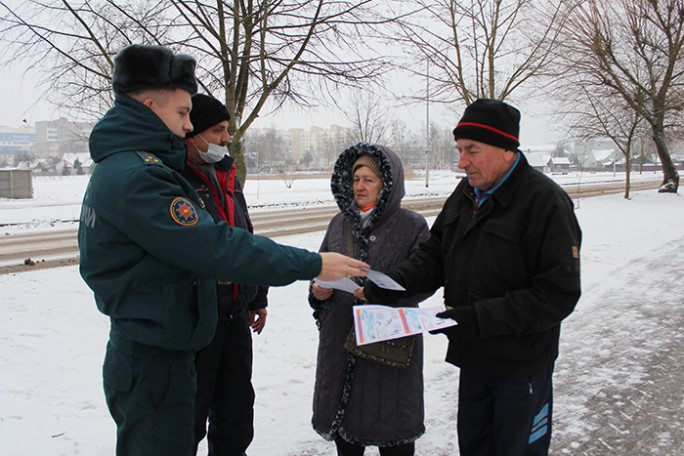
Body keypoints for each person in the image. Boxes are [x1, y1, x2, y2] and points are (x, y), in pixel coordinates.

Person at [77, 44, 368, 456]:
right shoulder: (140, 177)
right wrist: (314, 263)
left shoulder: (125, 166)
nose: (186, 125)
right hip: (155, 357)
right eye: (181, 113)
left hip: (157, 346)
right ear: (148, 104)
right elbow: (215, 245)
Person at [363, 99, 582, 456]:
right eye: (460, 150)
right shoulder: (466, 195)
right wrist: (394, 283)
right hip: (475, 357)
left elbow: (557, 294)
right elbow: (435, 254)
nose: (462, 161)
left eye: (472, 151)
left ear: (507, 150)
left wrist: (477, 317)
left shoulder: (545, 202)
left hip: (520, 368)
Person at [309, 143, 431, 456]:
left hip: (389, 347)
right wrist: (318, 292)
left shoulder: (412, 226)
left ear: (387, 184)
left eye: (369, 179)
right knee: (347, 439)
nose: (359, 186)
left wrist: (382, 291)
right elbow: (322, 269)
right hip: (339, 343)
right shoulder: (340, 223)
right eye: (355, 178)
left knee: (395, 434)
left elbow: (425, 281)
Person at [179, 93, 266, 456]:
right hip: (196, 324)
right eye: (217, 130)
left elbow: (245, 237)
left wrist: (257, 297)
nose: (226, 138)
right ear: (191, 134)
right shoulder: (173, 182)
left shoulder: (228, 177)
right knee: (188, 418)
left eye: (227, 129)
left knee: (235, 415)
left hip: (233, 319)